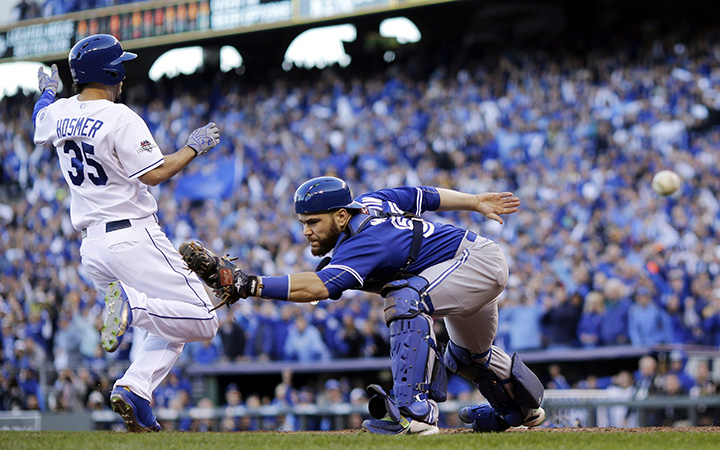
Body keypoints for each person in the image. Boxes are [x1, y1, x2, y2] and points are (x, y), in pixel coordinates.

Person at [183, 175, 545, 435]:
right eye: (303, 223)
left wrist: (250, 284)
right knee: (469, 357)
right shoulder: (371, 202)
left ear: (341, 216)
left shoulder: (368, 241)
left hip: (474, 264)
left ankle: (413, 412)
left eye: (313, 222)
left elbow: (320, 288)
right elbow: (424, 195)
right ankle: (523, 409)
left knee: (405, 299)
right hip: (466, 265)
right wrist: (474, 201)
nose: (306, 230)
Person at [32, 34, 220, 431]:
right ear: (111, 72)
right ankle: (132, 307)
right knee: (204, 317)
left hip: (93, 248)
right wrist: (192, 148)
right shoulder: (120, 117)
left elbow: (40, 120)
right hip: (131, 235)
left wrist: (47, 94)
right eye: (121, 67)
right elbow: (156, 173)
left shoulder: (60, 111)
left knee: (170, 321)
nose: (125, 75)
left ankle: (134, 389)